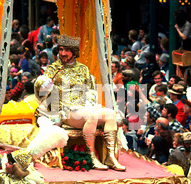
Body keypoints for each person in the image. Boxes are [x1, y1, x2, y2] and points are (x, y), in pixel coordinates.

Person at [34, 34, 125, 171]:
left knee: (111, 114)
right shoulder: (54, 68)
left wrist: (90, 100)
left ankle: (110, 157)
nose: (63, 53)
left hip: (85, 106)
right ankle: (92, 157)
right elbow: (40, 86)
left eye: (67, 50)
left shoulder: (83, 69)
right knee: (91, 116)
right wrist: (45, 84)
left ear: (74, 53)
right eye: (61, 50)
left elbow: (91, 90)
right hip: (64, 110)